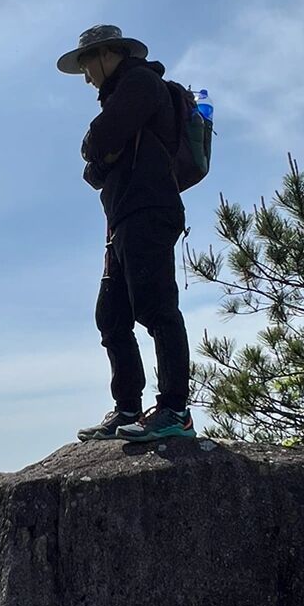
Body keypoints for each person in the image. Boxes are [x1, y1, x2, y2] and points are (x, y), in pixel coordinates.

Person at [57, 22, 195, 443]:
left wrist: (99, 149)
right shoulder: (123, 94)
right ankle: (128, 409)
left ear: (106, 54)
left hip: (147, 212)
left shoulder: (140, 84)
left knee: (156, 307)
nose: (86, 77)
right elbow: (95, 169)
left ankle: (174, 410)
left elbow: (97, 143)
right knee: (112, 316)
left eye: (86, 65)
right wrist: (100, 153)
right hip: (122, 219)